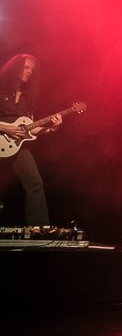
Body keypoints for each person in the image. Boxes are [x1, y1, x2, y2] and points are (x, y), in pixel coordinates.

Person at [0, 54, 62, 226]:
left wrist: (52, 128)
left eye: (32, 69)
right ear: (15, 68)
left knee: (35, 183)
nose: (29, 72)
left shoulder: (28, 96)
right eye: (26, 67)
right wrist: (4, 128)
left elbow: (29, 127)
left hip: (17, 147)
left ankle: (39, 229)